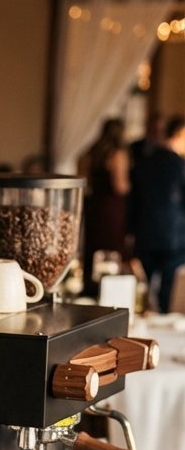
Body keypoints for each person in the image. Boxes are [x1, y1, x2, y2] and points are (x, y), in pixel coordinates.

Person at [129, 114, 185, 312]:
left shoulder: (145, 162)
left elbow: (133, 199)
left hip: (146, 230)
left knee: (143, 284)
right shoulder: (179, 164)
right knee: (166, 287)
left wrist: (130, 230)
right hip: (173, 234)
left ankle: (144, 318)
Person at [81, 118, 130, 292]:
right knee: (111, 248)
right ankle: (109, 290)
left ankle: (90, 287)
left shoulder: (92, 152)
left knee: (93, 248)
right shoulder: (117, 153)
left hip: (94, 205)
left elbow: (84, 179)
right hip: (111, 208)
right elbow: (120, 186)